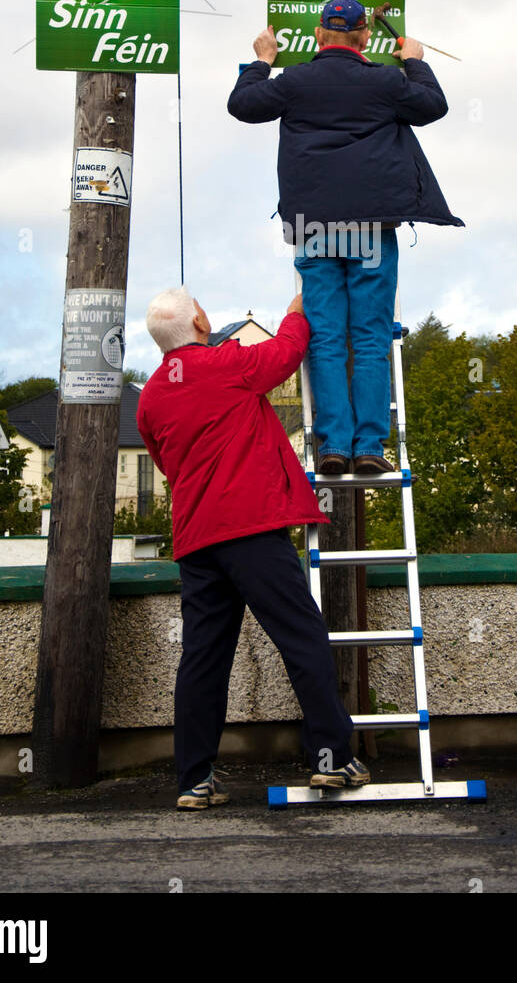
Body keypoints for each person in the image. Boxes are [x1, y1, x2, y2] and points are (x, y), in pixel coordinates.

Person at [136, 285, 370, 808]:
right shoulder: (227, 364)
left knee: (203, 658)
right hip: (252, 530)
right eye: (200, 307)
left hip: (196, 540)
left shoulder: (150, 397)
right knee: (302, 637)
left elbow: (166, 464)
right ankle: (332, 759)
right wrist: (295, 312)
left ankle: (194, 780)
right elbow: (286, 353)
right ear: (199, 323)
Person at [227, 0, 463, 476]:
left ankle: (333, 443)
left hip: (314, 227)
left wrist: (262, 60)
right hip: (373, 226)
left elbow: (243, 105)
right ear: (364, 38)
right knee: (372, 337)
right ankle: (371, 446)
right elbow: (433, 106)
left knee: (326, 338)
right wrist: (414, 62)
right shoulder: (384, 81)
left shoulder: (293, 81)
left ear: (317, 35)